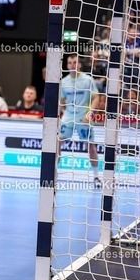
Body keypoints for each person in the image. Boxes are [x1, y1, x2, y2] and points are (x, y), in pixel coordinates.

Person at [58, 54, 100, 186]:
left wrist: (90, 113)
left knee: (91, 147)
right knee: (57, 143)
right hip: (69, 117)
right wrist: (64, 111)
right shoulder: (64, 82)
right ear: (67, 65)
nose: (72, 65)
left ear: (80, 65)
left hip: (84, 117)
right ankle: (53, 173)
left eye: (75, 62)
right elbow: (62, 100)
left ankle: (96, 177)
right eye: (70, 63)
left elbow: (96, 98)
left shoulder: (88, 80)